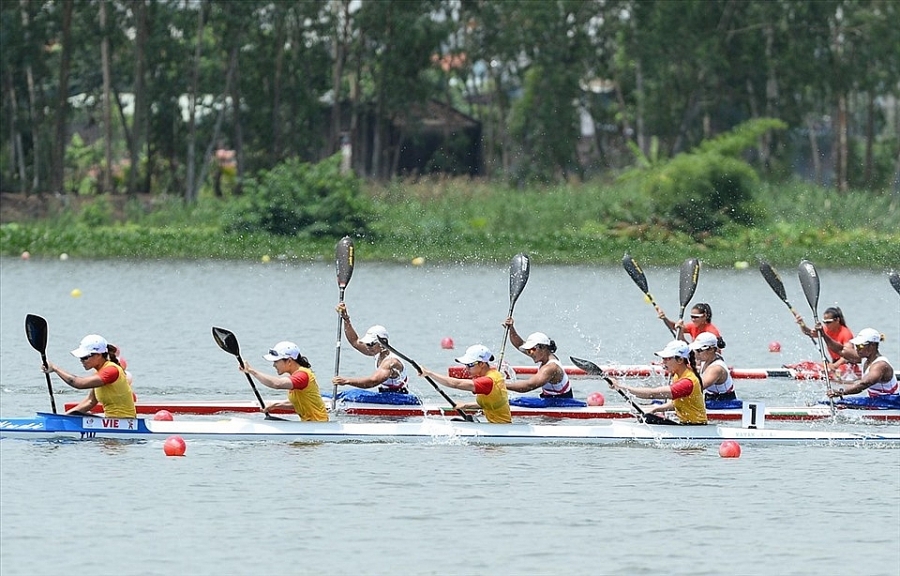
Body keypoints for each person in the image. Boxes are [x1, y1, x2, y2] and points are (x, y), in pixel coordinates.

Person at [607, 340, 707, 424]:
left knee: (647, 419)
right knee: (647, 417)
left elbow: (652, 394)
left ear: (680, 360)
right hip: (687, 425)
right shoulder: (678, 376)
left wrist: (621, 386)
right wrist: (655, 409)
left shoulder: (687, 382)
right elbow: (677, 404)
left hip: (695, 427)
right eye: (663, 359)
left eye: (667, 359)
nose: (663, 362)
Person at [41, 334, 136, 418]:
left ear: (98, 355)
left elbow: (79, 383)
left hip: (125, 423)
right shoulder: (99, 374)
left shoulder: (111, 371)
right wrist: (63, 417)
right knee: (75, 415)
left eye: (85, 357)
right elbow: (90, 401)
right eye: (80, 358)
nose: (82, 361)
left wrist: (55, 368)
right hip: (111, 422)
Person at [417, 344, 511, 423]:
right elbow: (489, 404)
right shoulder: (493, 374)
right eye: (466, 365)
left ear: (482, 364)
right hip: (497, 425)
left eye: (470, 365)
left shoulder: (487, 381)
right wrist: (465, 406)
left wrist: (430, 373)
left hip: (500, 428)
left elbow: (456, 384)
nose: (466, 368)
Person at [240, 341, 328, 422]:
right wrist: (275, 405)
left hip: (319, 425)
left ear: (289, 361)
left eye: (276, 361)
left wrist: (252, 371)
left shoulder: (302, 375)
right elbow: (298, 403)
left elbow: (277, 384)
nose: (274, 365)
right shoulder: (296, 377)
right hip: (310, 424)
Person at [332, 304, 409, 394]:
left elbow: (373, 381)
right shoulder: (377, 351)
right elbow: (355, 341)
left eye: (371, 344)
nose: (368, 347)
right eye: (367, 344)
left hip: (400, 398)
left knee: (354, 393)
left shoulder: (391, 362)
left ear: (382, 343)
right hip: (385, 396)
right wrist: (346, 318)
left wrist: (347, 381)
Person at [502, 318, 571, 398]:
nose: (530, 353)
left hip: (561, 403)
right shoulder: (543, 355)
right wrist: (511, 328)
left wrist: (501, 385)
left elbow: (529, 385)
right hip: (550, 399)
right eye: (528, 350)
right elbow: (519, 344)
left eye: (532, 350)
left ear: (543, 348)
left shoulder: (551, 368)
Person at [823, 328, 897, 400]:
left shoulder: (880, 365)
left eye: (861, 346)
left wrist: (841, 392)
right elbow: (840, 350)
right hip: (875, 400)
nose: (857, 349)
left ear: (872, 345)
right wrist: (823, 334)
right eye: (856, 345)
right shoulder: (864, 357)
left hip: (891, 402)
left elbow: (863, 384)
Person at [793, 306, 856, 375]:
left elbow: (848, 356)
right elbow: (810, 333)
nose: (826, 324)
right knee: (806, 364)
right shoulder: (826, 329)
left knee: (837, 371)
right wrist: (802, 324)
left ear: (837, 320)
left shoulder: (846, 333)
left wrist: (834, 366)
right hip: (834, 364)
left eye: (828, 322)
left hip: (847, 366)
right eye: (824, 322)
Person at [689, 331, 736, 402]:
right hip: (711, 399)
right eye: (695, 350)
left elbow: (697, 388)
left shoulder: (716, 369)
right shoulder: (706, 359)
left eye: (699, 350)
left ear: (711, 349)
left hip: (725, 403)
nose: (696, 354)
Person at [660, 303, 725, 348]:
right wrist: (665, 318)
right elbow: (675, 327)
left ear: (705, 316)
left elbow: (720, 347)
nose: (693, 319)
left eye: (696, 317)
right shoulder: (692, 326)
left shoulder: (712, 331)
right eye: (692, 316)